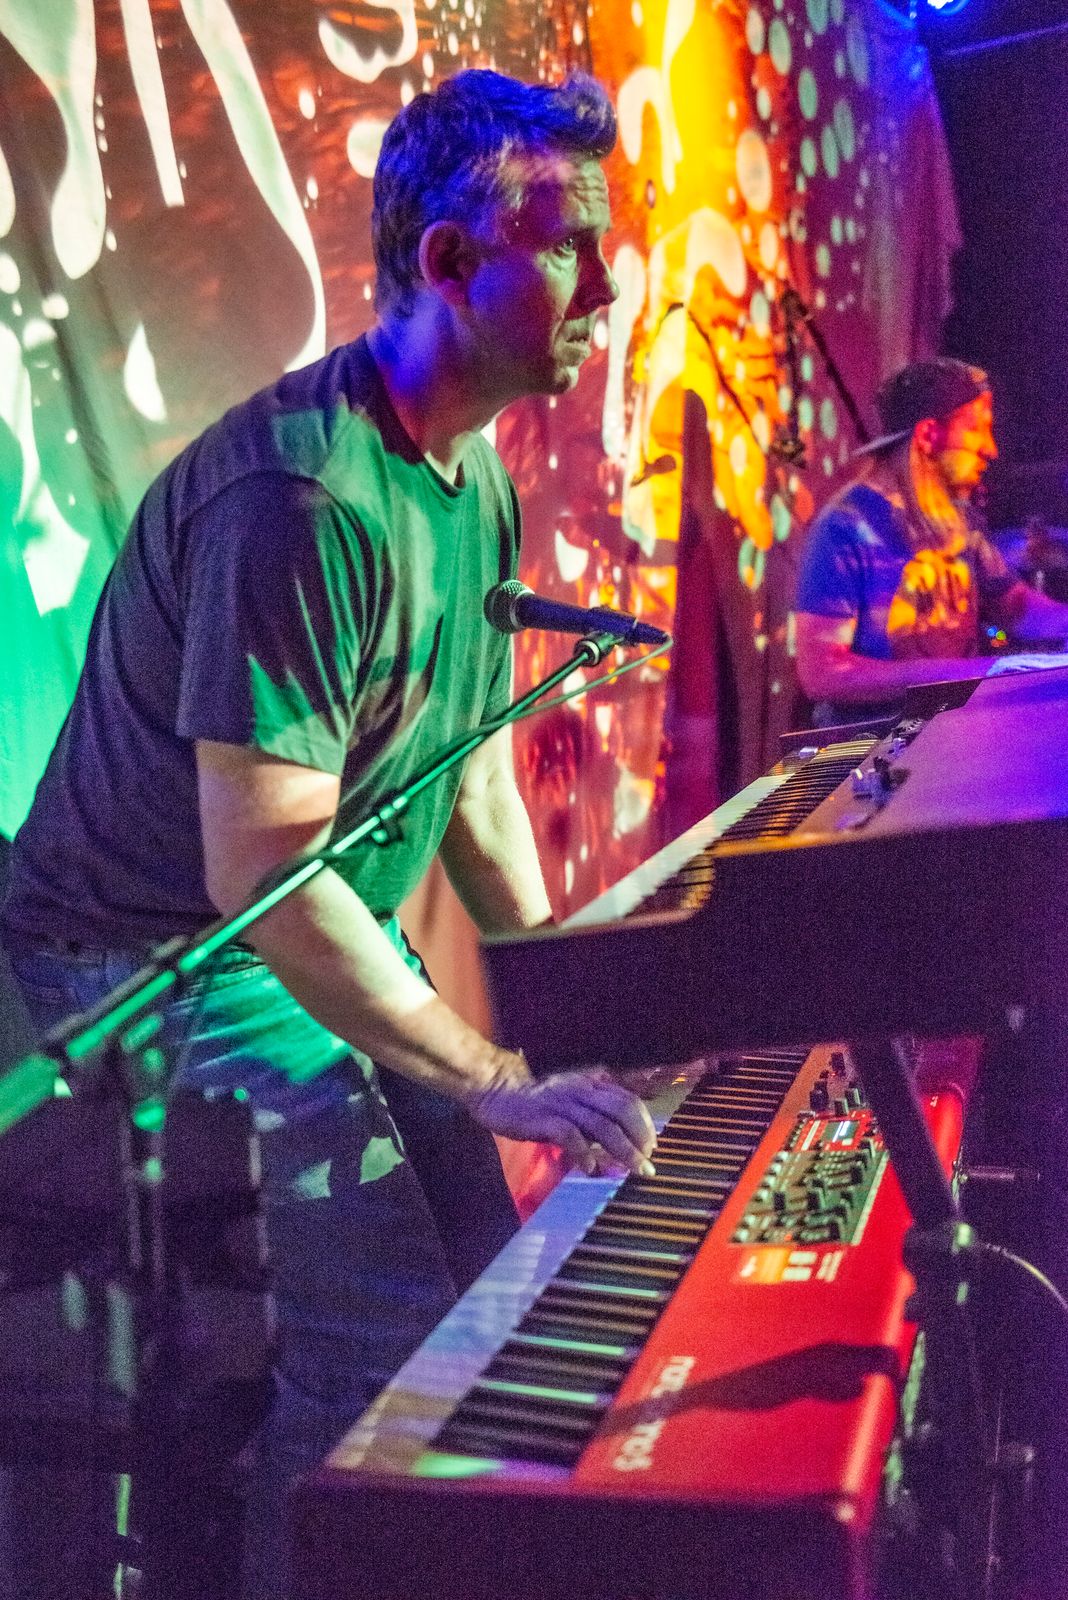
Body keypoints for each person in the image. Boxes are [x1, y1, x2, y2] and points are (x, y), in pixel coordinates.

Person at [0, 70, 657, 1600]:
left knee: (478, 1261)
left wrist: (587, 1003)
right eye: (571, 245)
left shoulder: (469, 475)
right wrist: (493, 1072)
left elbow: (472, 787)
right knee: (396, 1352)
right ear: (449, 260)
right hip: (152, 957)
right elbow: (266, 871)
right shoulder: (303, 497)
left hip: (264, 935)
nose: (608, 286)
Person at [794, 357, 1068, 725]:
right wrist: (981, 672)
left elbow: (1017, 608)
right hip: (873, 744)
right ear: (927, 435)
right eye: (978, 429)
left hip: (955, 731)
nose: (991, 449)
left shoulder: (959, 521)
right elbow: (823, 675)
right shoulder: (846, 527)